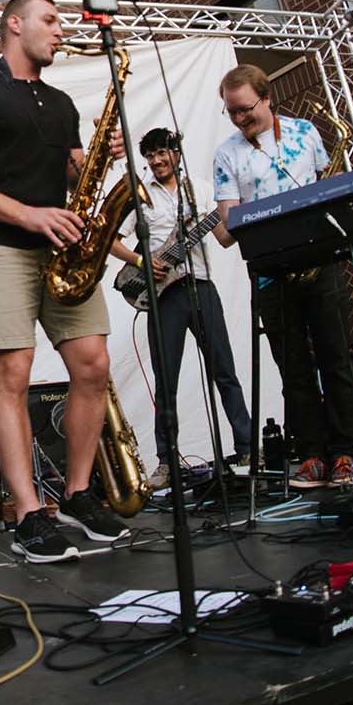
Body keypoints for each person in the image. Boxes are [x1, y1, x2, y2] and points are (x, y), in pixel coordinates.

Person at [0, 0, 128, 563]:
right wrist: (27, 214)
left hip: (62, 249)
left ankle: (77, 494)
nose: (60, 30)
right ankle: (27, 513)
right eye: (50, 20)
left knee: (93, 365)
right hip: (0, 245)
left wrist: (100, 155)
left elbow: (73, 175)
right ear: (14, 25)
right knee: (13, 373)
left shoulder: (62, 102)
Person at [211, 64, 353, 490]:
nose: (239, 119)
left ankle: (346, 451)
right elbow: (227, 224)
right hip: (270, 271)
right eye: (232, 112)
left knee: (335, 357)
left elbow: (328, 184)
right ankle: (311, 454)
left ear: (266, 97)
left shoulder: (305, 132)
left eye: (245, 109)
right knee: (293, 368)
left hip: (318, 259)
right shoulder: (226, 153)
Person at [109, 128, 252, 487]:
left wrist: (243, 215)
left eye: (162, 153)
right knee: (166, 380)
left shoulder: (201, 190)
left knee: (224, 369)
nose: (157, 161)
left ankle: (248, 448)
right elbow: (110, 241)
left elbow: (223, 238)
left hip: (200, 286)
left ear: (176, 153)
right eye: (150, 155)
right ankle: (166, 461)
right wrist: (142, 262)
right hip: (163, 297)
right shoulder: (140, 196)